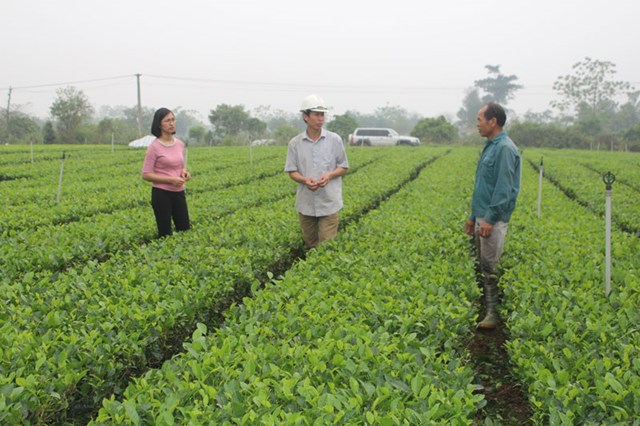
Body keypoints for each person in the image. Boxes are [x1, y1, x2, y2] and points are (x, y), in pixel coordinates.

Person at [464, 102, 521, 329]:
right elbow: (483, 185)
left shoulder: (505, 148)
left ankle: (493, 314)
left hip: (492, 219)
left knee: (490, 265)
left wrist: (489, 218)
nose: (477, 124)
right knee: (483, 264)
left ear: (492, 121)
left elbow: (503, 188)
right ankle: (487, 308)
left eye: (479, 119)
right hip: (482, 215)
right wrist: (472, 216)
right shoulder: (490, 146)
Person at [284, 94, 349, 249]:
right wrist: (305, 180)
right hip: (306, 204)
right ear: (306, 117)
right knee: (311, 245)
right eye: (316, 115)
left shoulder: (335, 140)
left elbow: (343, 166)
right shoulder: (295, 143)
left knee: (326, 246)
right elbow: (292, 171)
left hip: (329, 202)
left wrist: (329, 175)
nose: (321, 119)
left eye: (322, 115)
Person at [142, 107, 191, 238]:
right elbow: (146, 174)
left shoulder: (180, 144)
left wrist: (184, 173)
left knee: (185, 230)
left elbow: (180, 167)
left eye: (173, 120)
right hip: (161, 194)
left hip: (179, 192)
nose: (171, 123)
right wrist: (170, 180)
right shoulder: (154, 147)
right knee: (165, 234)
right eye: (167, 120)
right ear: (159, 124)